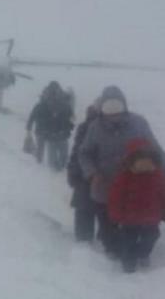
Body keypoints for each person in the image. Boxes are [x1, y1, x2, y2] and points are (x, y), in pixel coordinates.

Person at [78, 86, 165, 258]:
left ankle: (136, 253)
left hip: (135, 185)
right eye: (108, 108)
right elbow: (84, 153)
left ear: (125, 105)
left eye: (117, 107)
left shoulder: (138, 123)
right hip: (104, 185)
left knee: (137, 222)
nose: (113, 113)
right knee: (107, 223)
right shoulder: (95, 127)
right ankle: (113, 251)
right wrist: (92, 173)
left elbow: (156, 151)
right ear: (102, 108)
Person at [108, 138, 165, 273]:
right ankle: (128, 262)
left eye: (148, 162)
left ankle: (143, 253)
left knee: (151, 237)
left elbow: (164, 193)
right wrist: (116, 214)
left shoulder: (158, 176)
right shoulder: (124, 177)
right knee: (128, 241)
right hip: (129, 219)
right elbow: (115, 198)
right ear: (131, 162)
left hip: (151, 218)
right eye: (140, 162)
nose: (144, 165)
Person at [67, 102, 99, 242]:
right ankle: (104, 241)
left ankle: (84, 241)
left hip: (83, 176)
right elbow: (77, 152)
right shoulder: (87, 127)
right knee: (103, 211)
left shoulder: (84, 127)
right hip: (95, 175)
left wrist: (73, 171)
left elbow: (76, 152)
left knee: (84, 209)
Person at [26, 81, 74, 170]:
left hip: (47, 131)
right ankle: (43, 166)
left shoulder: (42, 104)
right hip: (51, 132)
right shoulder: (62, 104)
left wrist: (29, 128)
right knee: (52, 151)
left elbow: (32, 116)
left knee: (46, 151)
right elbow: (70, 117)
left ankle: (42, 164)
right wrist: (69, 127)